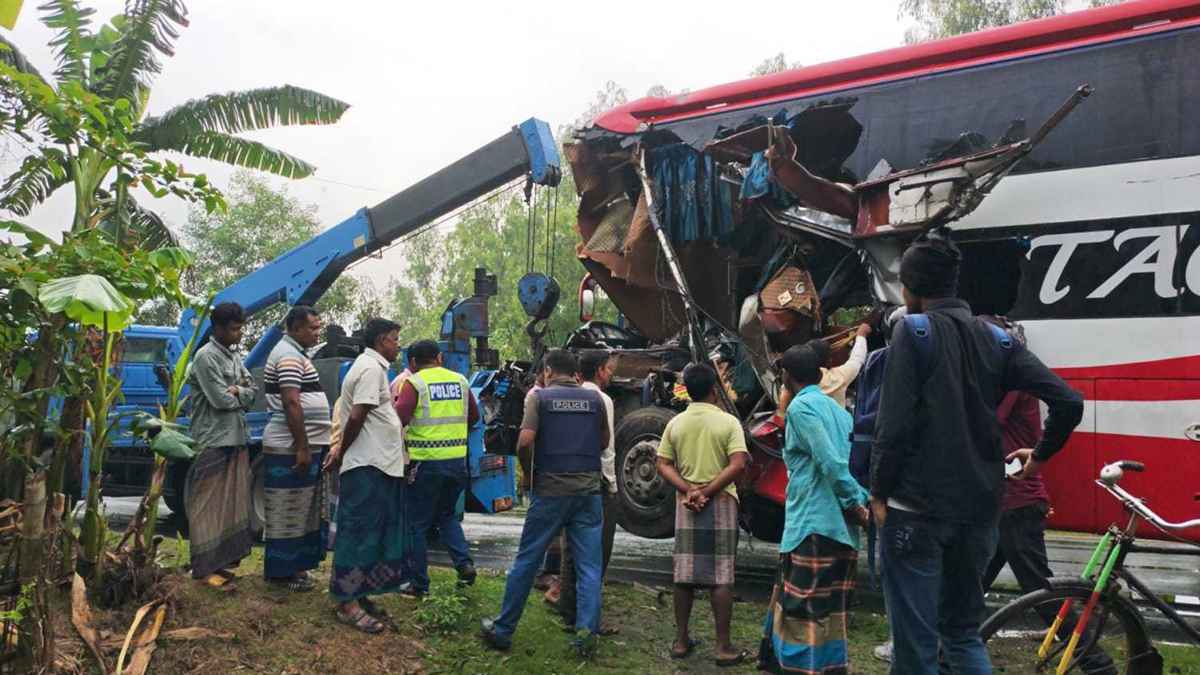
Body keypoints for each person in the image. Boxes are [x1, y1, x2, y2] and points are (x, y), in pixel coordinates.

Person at [869, 233, 1084, 674]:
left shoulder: (912, 331)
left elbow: (893, 427)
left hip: (917, 509)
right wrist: (1040, 456)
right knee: (963, 634)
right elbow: (1069, 401)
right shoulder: (999, 340)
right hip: (981, 511)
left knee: (915, 647)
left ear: (909, 289)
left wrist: (877, 494)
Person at [481, 349, 608, 656]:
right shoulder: (596, 400)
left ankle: (503, 630)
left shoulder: (540, 399)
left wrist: (529, 473)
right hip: (588, 492)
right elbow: (603, 442)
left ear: (549, 371)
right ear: (575, 372)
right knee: (589, 568)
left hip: (550, 490)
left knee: (527, 560)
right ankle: (585, 638)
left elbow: (525, 442)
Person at [758, 344, 869, 673]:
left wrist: (854, 503)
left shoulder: (802, 409)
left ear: (786, 377)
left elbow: (831, 464)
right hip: (840, 529)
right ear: (821, 374)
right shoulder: (840, 411)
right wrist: (859, 504)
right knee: (830, 612)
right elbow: (852, 464)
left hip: (813, 524)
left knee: (803, 611)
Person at [656, 363, 749, 668]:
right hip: (720, 501)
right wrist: (707, 491)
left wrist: (689, 490)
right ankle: (723, 647)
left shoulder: (676, 424)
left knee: (684, 574)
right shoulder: (729, 422)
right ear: (714, 389)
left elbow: (663, 464)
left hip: (687, 504)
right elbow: (737, 464)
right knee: (721, 575)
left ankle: (681, 641)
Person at [324, 318, 408, 633]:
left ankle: (359, 593)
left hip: (379, 464)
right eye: (395, 338)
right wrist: (341, 451)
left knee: (372, 533)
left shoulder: (373, 367)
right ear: (381, 340)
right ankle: (347, 603)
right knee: (357, 533)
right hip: (366, 465)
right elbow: (357, 415)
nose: (398, 344)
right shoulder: (371, 369)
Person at [393, 339, 480, 595]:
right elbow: (474, 417)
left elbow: (399, 416)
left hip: (426, 463)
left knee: (416, 524)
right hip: (456, 462)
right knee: (446, 516)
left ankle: (419, 585)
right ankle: (464, 564)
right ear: (440, 357)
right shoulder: (461, 381)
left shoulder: (415, 383)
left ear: (412, 362)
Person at [184, 302, 256, 592]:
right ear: (218, 328)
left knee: (229, 505)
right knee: (205, 506)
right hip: (212, 439)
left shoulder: (235, 357)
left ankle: (220, 563)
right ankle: (202, 569)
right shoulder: (205, 357)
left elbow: (253, 391)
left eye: (240, 328)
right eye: (234, 328)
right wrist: (240, 392)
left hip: (235, 437)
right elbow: (220, 400)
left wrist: (239, 390)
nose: (239, 334)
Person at [261, 305, 331, 592]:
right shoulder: (288, 355)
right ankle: (281, 573)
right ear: (295, 327)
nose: (317, 333)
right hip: (289, 446)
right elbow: (291, 402)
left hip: (300, 444)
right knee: (286, 510)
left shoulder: (296, 354)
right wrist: (302, 447)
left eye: (318, 327)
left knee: (299, 509)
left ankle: (295, 569)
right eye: (312, 328)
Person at [555, 350, 619, 631]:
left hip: (570, 479)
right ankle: (589, 619)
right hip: (599, 482)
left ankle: (569, 612)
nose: (611, 374)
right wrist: (611, 483)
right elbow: (605, 445)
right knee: (596, 552)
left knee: (571, 549)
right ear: (600, 370)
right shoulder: (602, 399)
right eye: (609, 368)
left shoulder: (570, 396)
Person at [773, 322, 870, 421]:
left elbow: (782, 410)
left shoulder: (794, 382)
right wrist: (861, 336)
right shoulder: (839, 377)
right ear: (829, 360)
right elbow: (857, 359)